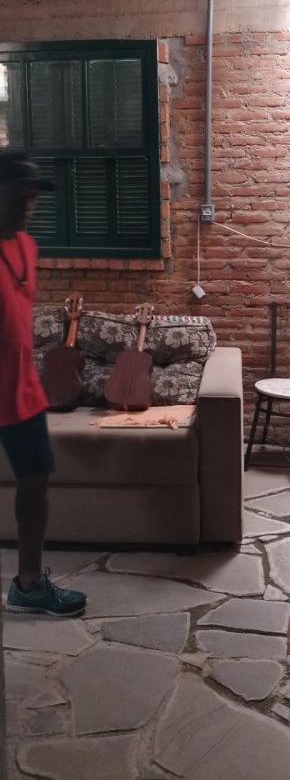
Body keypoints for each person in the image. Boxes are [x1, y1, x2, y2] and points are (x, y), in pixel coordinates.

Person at [0, 149, 86, 617]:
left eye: (32, 197)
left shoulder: (27, 249)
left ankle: (29, 585)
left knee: (36, 483)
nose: (27, 206)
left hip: (23, 391)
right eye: (18, 195)